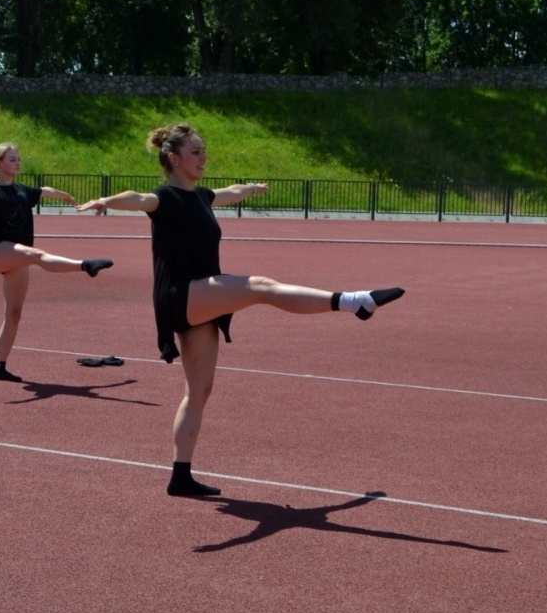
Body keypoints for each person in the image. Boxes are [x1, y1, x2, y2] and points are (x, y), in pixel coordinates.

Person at [77, 123, 404, 498]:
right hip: (180, 293)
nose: (204, 157)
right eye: (196, 152)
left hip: (202, 295)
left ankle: (180, 477)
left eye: (204, 150)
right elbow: (136, 198)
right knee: (260, 286)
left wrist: (250, 189)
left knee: (199, 391)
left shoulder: (201, 196)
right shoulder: (163, 198)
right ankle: (353, 301)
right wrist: (105, 201)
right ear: (174, 159)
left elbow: (228, 193)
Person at [0, 143, 115, 382]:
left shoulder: (23, 191)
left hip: (17, 256)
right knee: (36, 255)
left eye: (18, 159)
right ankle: (86, 265)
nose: (17, 163)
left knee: (14, 313)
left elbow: (44, 191)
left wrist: (65, 196)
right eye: (12, 159)